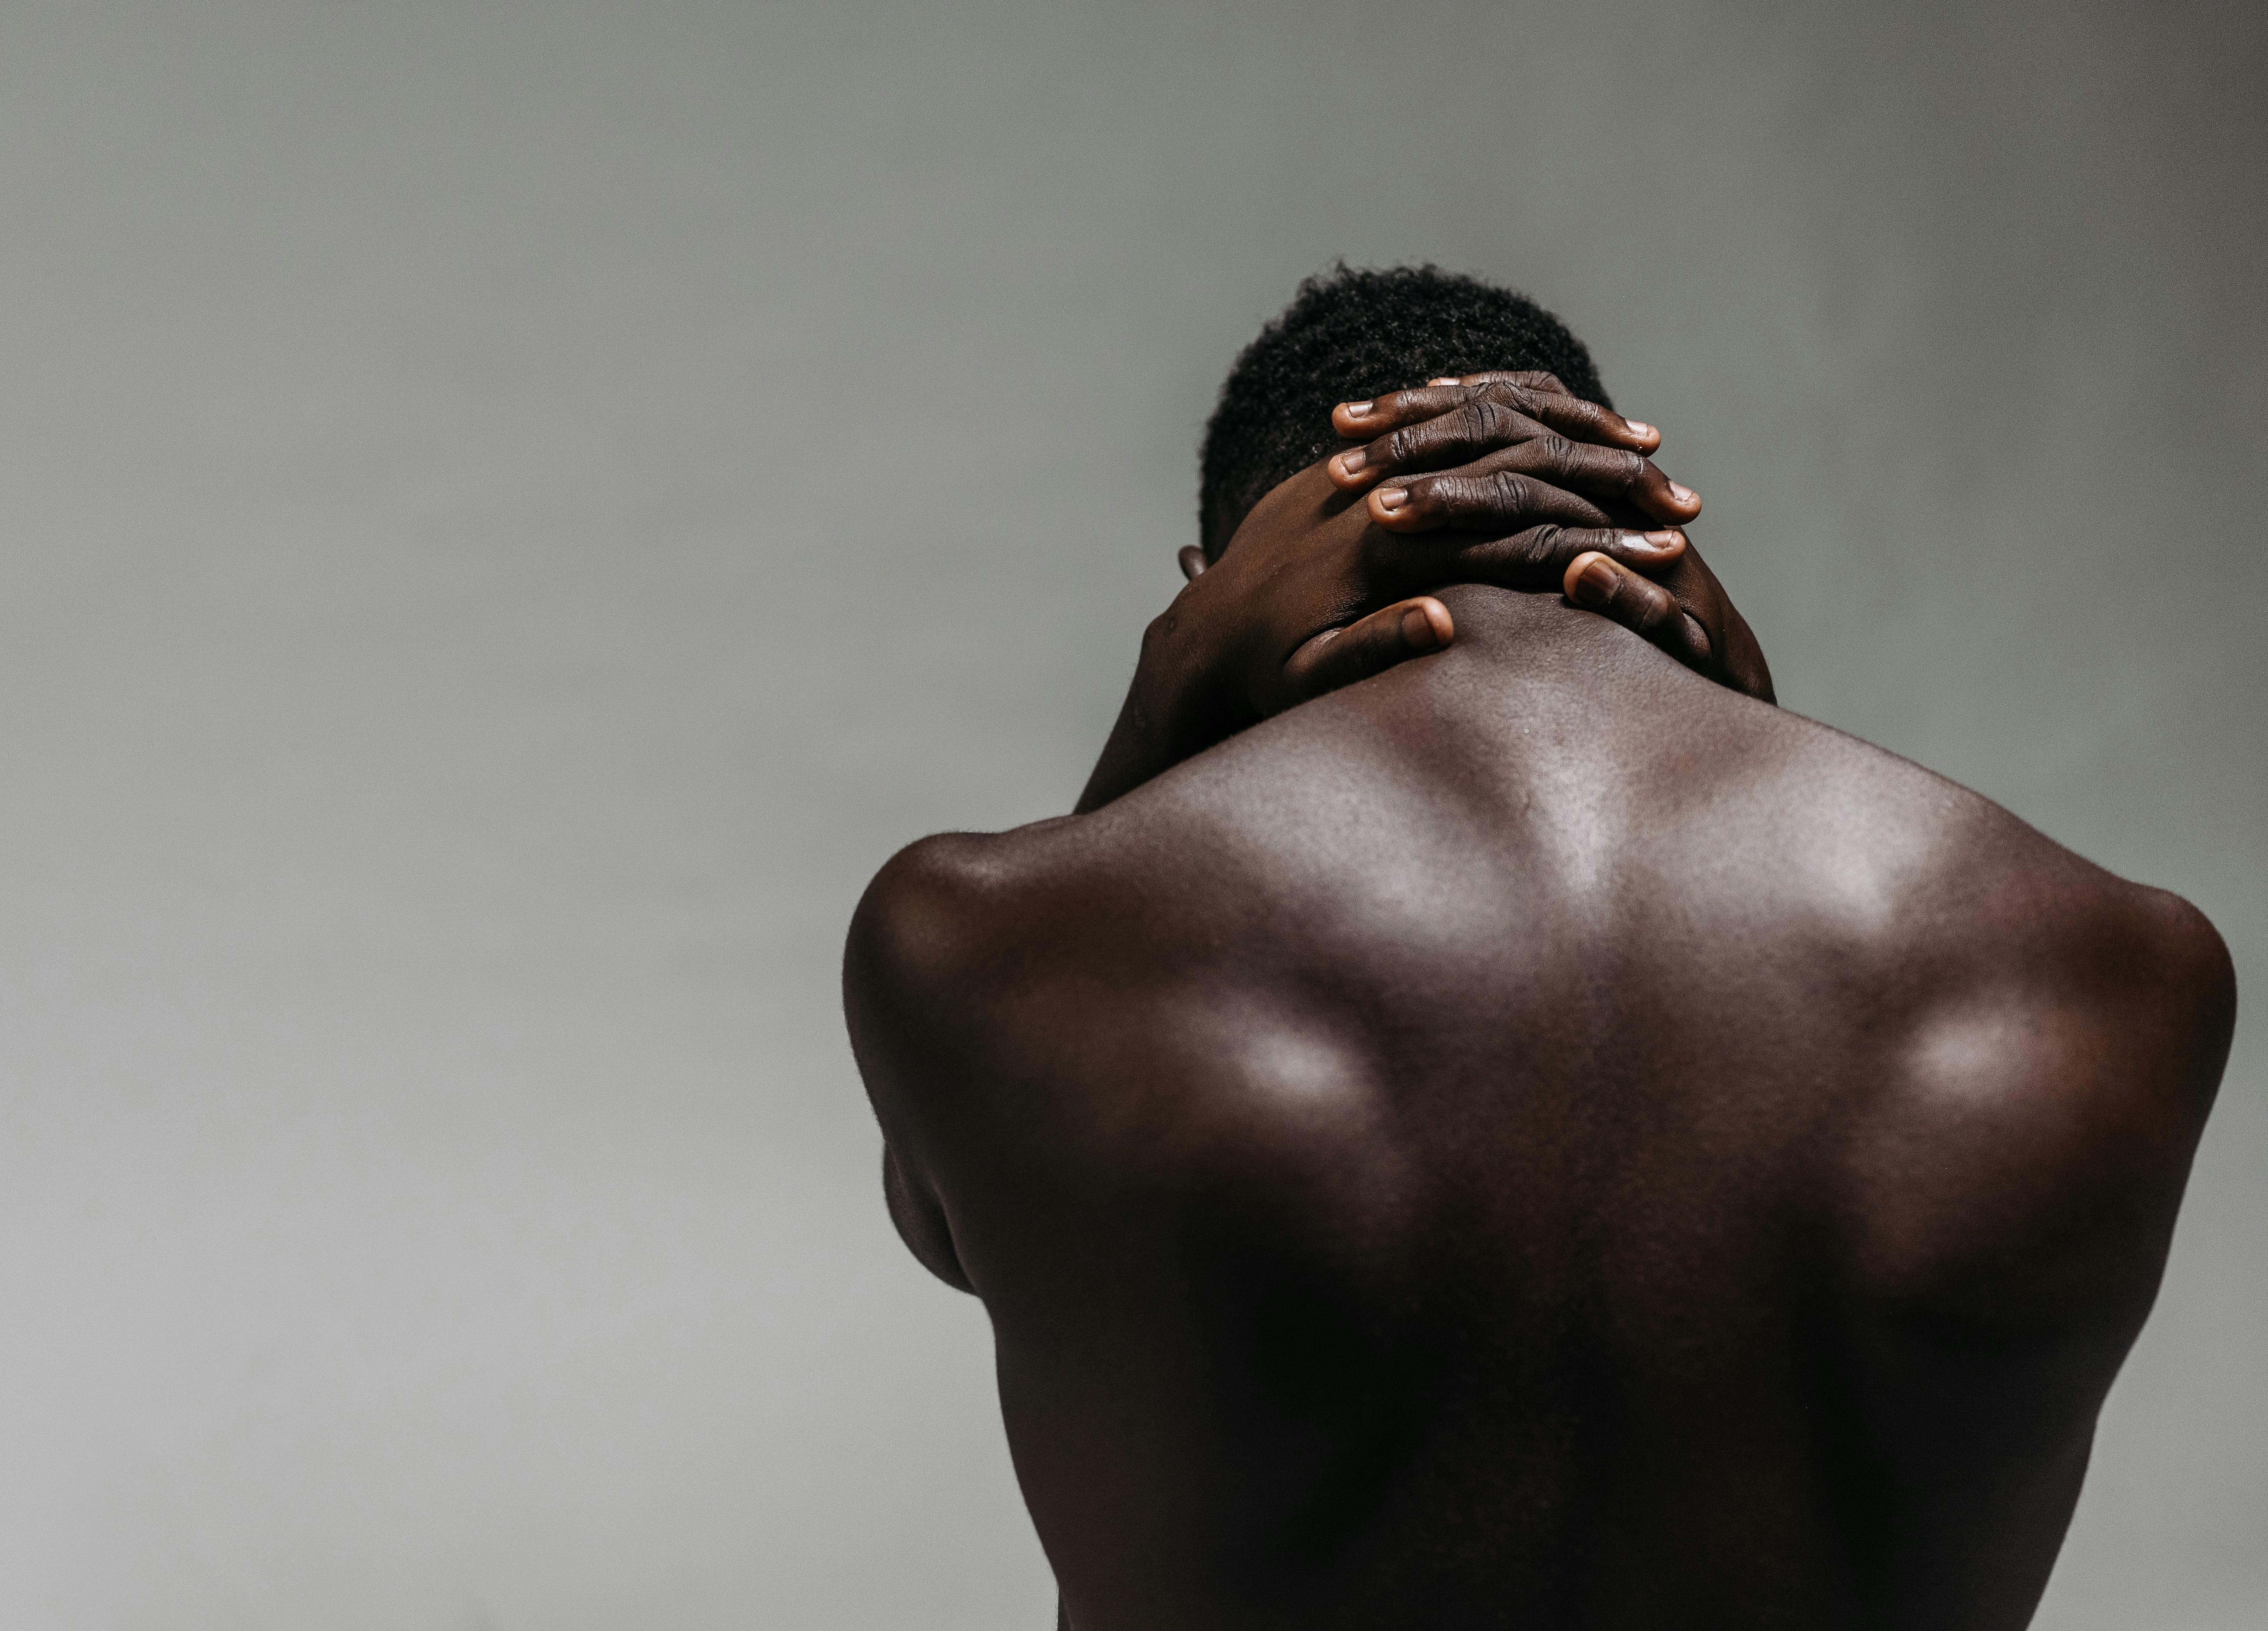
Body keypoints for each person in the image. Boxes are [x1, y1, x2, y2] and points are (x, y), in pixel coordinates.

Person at [842, 266, 2232, 1631]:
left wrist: (1161, 704)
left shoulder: (969, 940)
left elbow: (970, 1232)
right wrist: (1744, 711)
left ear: (1218, 590)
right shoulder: (2122, 966)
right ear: (1644, 544)